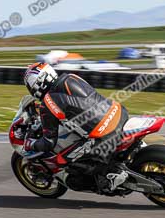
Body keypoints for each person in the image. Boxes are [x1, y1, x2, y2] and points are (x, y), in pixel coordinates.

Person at [21, 62, 130, 191]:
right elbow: (81, 103)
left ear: (37, 84)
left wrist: (30, 144)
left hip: (103, 134)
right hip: (117, 112)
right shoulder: (71, 77)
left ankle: (109, 177)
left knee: (62, 160)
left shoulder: (47, 103)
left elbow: (49, 142)